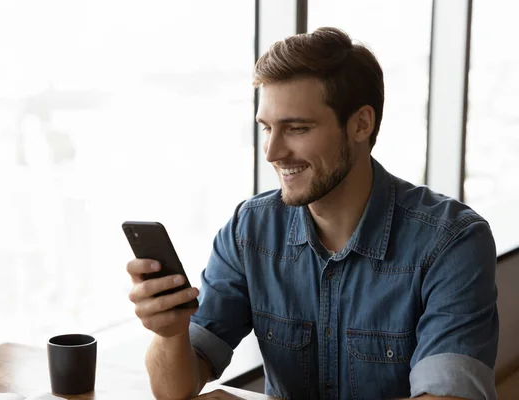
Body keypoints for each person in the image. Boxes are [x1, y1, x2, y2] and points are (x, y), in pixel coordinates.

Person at [126, 27, 498, 400]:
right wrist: (170, 332)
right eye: (267, 128)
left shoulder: (452, 241)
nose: (272, 152)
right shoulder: (249, 231)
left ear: (361, 124)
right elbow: (173, 390)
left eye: (297, 128)